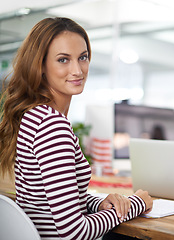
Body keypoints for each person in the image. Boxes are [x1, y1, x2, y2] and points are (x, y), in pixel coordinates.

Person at [0, 17, 152, 239]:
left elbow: (50, 200)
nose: (78, 70)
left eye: (83, 57)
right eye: (63, 60)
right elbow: (74, 231)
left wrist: (99, 203)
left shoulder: (33, 116)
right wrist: (136, 204)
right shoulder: (51, 125)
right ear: (40, 66)